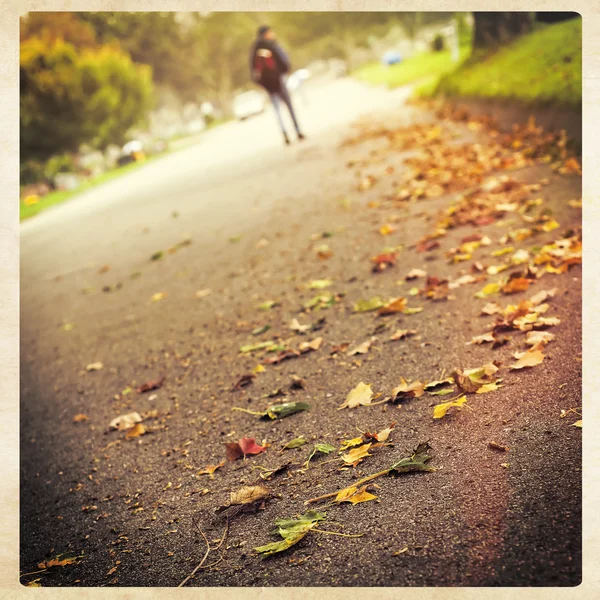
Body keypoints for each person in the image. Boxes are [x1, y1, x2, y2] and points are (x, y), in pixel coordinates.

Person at [249, 25, 305, 145]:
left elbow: (253, 69)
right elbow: (284, 60)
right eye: (270, 32)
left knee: (277, 110)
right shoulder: (272, 45)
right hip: (279, 80)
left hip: (268, 85)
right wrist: (284, 72)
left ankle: (284, 132)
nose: (273, 34)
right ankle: (297, 130)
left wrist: (262, 83)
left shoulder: (255, 49)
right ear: (266, 33)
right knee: (289, 107)